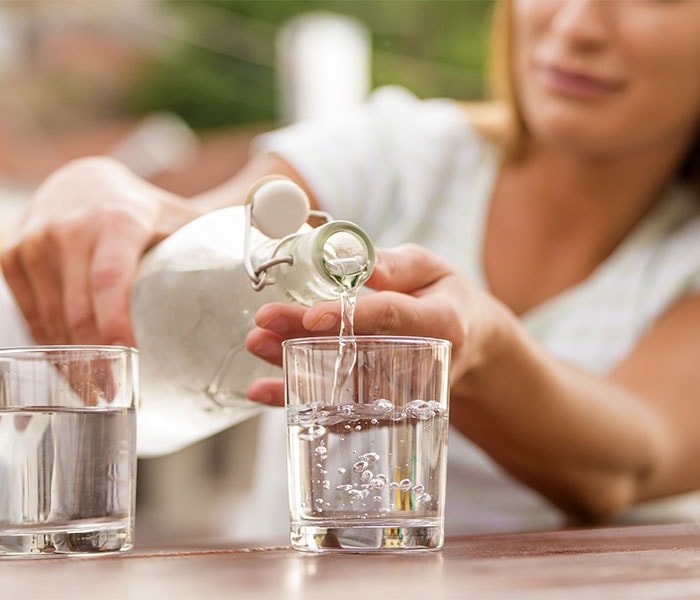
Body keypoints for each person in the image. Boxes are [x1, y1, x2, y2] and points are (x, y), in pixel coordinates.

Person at [2, 0, 700, 538]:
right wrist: (103, 191)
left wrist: (482, 346)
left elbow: (627, 461)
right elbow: (219, 231)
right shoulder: (398, 152)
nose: (576, 24)